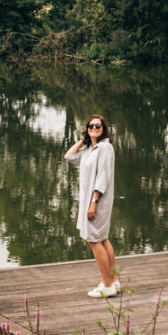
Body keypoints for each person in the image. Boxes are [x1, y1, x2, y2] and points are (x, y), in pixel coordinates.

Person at [64, 114, 118, 297]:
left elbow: (103, 177)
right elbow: (69, 156)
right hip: (89, 200)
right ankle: (114, 280)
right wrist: (83, 140)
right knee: (102, 238)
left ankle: (107, 284)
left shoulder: (105, 148)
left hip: (98, 200)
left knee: (94, 240)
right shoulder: (88, 149)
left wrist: (94, 203)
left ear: (103, 129)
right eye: (91, 126)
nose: (94, 128)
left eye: (98, 126)